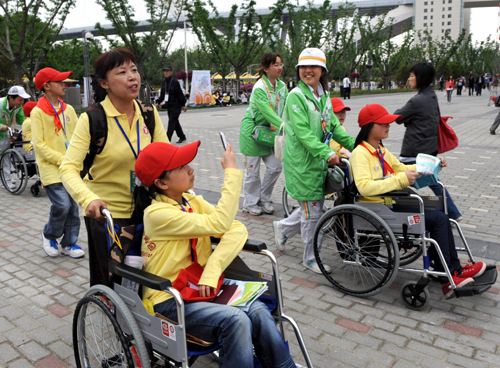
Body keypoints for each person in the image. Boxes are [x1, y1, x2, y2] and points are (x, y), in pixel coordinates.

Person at [133, 141, 299, 368]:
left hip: (199, 288)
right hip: (169, 299)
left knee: (258, 309)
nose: (190, 168)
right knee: (236, 319)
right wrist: (231, 172)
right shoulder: (156, 214)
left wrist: (212, 270)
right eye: (181, 167)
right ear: (161, 183)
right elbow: (221, 221)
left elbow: (235, 227)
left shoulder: (192, 201)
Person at [349, 103, 486, 298]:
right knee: (438, 219)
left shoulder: (379, 149)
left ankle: (453, 270)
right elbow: (364, 187)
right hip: (378, 208)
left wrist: (429, 165)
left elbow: (400, 168)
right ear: (369, 126)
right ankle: (448, 278)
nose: (389, 126)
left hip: (391, 203)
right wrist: (401, 180)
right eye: (384, 123)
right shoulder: (360, 153)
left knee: (442, 214)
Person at [60, 48, 168, 286]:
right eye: (122, 72)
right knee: (110, 277)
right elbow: (68, 168)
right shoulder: (92, 118)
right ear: (104, 83)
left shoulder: (149, 114)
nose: (132, 77)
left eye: (134, 70)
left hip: (149, 209)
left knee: (149, 273)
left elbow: (166, 157)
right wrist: (88, 200)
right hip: (109, 215)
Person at [272, 48, 354, 274]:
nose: (308, 71)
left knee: (313, 207)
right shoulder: (295, 97)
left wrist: (357, 144)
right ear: (298, 70)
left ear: (322, 71)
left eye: (313, 67)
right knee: (312, 211)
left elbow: (333, 126)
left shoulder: (324, 96)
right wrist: (327, 153)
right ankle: (310, 258)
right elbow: (303, 133)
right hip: (302, 163)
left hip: (318, 160)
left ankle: (283, 228)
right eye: (303, 67)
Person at [394, 62, 462, 222]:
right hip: (429, 150)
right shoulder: (432, 96)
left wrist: (407, 119)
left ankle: (400, 211)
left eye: (412, 75)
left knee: (395, 179)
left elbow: (398, 117)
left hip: (413, 152)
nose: (409, 78)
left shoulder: (417, 100)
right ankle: (453, 213)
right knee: (434, 182)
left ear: (421, 78)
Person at [31, 68, 84, 258]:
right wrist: (63, 159)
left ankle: (69, 243)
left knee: (73, 206)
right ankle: (49, 235)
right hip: (51, 167)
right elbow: (39, 144)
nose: (64, 84)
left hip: (70, 168)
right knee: (62, 205)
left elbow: (79, 136)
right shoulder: (37, 112)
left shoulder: (68, 109)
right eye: (59, 81)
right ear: (46, 86)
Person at [239, 53, 287, 216]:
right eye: (275, 64)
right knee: (252, 172)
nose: (280, 67)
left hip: (270, 133)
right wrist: (282, 125)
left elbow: (286, 108)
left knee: (275, 166)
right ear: (265, 69)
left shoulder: (282, 87)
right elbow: (266, 111)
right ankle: (249, 203)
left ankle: (264, 198)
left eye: (281, 64)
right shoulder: (259, 87)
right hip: (252, 133)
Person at [0, 86, 30, 189]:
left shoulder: (18, 107)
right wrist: (1, 126)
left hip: (6, 135)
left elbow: (21, 119)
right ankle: (4, 180)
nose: (22, 102)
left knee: (6, 157)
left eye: (23, 100)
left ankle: (5, 179)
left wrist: (30, 123)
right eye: (20, 99)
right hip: (1, 131)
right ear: (11, 98)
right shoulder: (0, 104)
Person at [156, 66, 187, 143]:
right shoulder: (164, 82)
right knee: (175, 122)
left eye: (167, 71)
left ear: (171, 72)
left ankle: (166, 140)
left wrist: (183, 104)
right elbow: (162, 95)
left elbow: (180, 94)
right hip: (169, 106)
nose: (166, 73)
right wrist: (158, 102)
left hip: (176, 106)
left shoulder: (175, 82)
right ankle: (182, 136)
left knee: (171, 123)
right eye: (165, 71)